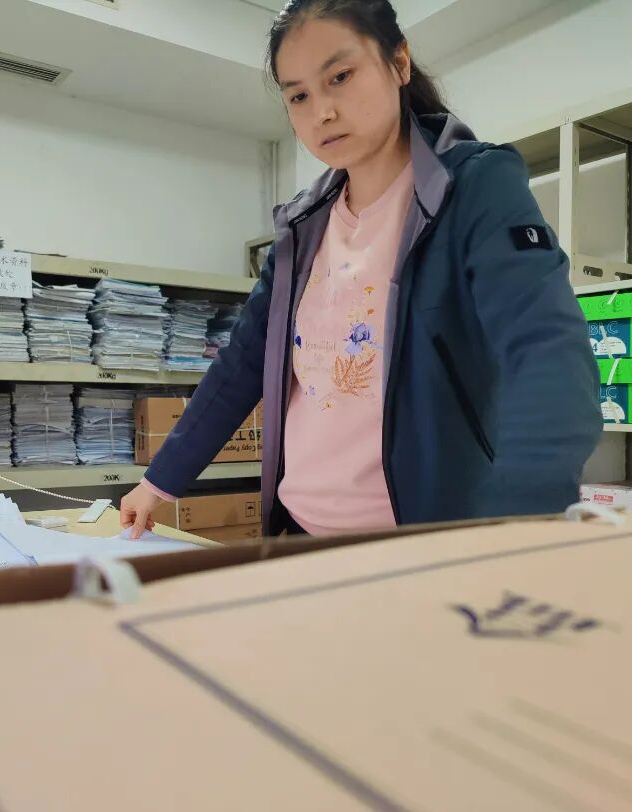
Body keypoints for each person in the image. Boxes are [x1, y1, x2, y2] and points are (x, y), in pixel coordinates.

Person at [121, 0, 601, 539]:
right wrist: (160, 480)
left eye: (340, 77)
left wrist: (522, 520)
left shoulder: (474, 188)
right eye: (299, 96)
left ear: (399, 63)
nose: (321, 112)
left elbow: (547, 353)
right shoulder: (302, 227)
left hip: (418, 548)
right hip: (297, 535)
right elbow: (242, 362)